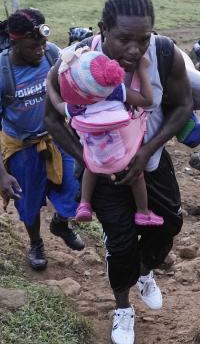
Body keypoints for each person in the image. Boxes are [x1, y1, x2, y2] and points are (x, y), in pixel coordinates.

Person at [45, 0, 193, 344]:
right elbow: (52, 117)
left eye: (142, 39)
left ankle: (145, 272)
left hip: (151, 163)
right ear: (103, 30)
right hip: (103, 174)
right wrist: (88, 158)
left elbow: (183, 105)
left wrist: (145, 152)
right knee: (121, 243)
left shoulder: (163, 54)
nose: (134, 49)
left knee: (170, 224)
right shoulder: (74, 62)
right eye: (124, 38)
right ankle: (123, 307)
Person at [0, 9, 85, 271]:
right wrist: (2, 173)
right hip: (22, 145)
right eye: (32, 46)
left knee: (79, 184)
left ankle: (61, 222)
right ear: (15, 42)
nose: (39, 50)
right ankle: (36, 243)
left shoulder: (53, 55)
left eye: (42, 44)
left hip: (57, 135)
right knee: (27, 201)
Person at [55, 47, 162, 227]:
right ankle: (143, 212)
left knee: (90, 166)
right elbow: (147, 100)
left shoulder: (77, 106)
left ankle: (84, 204)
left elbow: (58, 105)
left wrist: (50, 88)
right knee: (137, 176)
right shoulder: (114, 92)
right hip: (122, 156)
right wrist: (142, 68)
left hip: (96, 156)